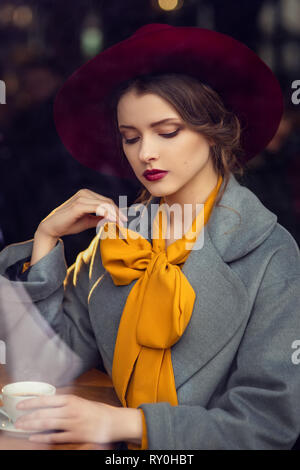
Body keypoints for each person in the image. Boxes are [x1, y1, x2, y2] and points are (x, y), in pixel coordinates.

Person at [0, 23, 300, 450]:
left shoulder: (272, 255)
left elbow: (266, 426)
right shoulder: (117, 240)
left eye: (168, 131)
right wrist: (47, 237)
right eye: (130, 137)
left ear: (215, 130)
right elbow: (43, 368)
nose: (146, 154)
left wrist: (130, 425)